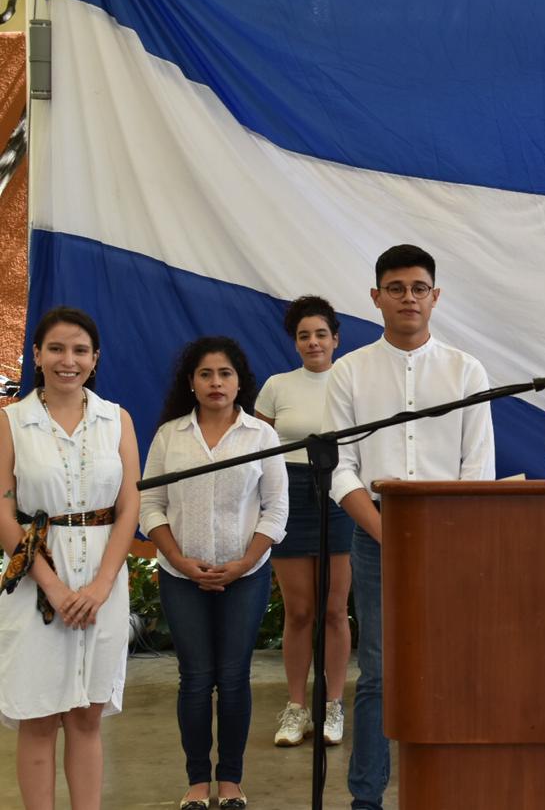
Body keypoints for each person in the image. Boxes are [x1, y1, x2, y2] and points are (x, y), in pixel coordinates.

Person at [325, 244, 495, 810]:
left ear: (435, 297)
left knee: (454, 666)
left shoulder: (466, 370)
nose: (408, 298)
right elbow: (341, 469)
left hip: (452, 538)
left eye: (419, 288)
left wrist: (445, 537)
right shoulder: (349, 372)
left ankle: (449, 790)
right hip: (376, 536)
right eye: (395, 288)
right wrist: (384, 533)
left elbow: (478, 470)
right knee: (378, 673)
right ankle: (366, 799)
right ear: (376, 298)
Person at [0, 307, 140, 810]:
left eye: (80, 350)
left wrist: (102, 584)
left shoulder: (116, 418)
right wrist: (54, 587)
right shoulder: (11, 421)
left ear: (95, 358)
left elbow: (130, 506)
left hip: (103, 579)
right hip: (37, 577)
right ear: (36, 355)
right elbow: (4, 510)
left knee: (86, 715)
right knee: (38, 716)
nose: (68, 360)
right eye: (56, 348)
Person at [140, 337, 288, 810]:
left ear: (239, 381)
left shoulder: (260, 436)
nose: (216, 383)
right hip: (182, 576)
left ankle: (231, 782)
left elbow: (276, 507)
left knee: (234, 677)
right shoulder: (170, 435)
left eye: (225, 374)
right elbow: (150, 505)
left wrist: (246, 561)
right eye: (206, 374)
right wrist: (180, 559)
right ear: (192, 382)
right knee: (196, 679)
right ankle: (197, 783)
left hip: (245, 574)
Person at [255, 296, 356, 747]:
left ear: (335, 338)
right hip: (289, 492)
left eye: (321, 334)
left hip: (340, 490)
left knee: (335, 609)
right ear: (294, 342)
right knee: (299, 611)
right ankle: (297, 707)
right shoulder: (277, 385)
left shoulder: (353, 380)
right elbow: (256, 449)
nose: (313, 342)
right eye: (303, 335)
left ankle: (332, 704)